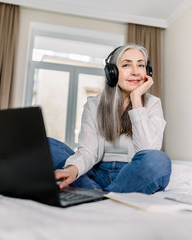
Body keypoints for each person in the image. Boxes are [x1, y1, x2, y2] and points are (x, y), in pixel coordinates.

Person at [50, 43, 171, 194]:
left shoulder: (153, 104)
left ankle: (98, 193)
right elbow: (88, 151)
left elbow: (147, 152)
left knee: (158, 161)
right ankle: (108, 192)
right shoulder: (94, 104)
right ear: (112, 72)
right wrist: (72, 170)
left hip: (132, 174)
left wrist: (136, 100)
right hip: (96, 172)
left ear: (148, 72)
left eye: (141, 65)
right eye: (126, 65)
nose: (135, 72)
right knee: (47, 145)